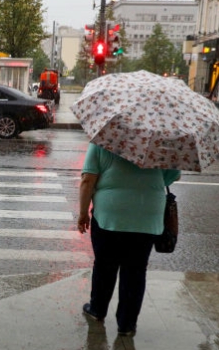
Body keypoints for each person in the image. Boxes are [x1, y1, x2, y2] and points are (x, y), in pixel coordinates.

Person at [77, 142, 181, 336]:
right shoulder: (164, 143)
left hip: (110, 214)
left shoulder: (103, 141)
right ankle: (127, 325)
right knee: (135, 270)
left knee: (104, 265)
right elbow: (172, 176)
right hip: (147, 216)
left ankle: (97, 309)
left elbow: (87, 180)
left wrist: (83, 214)